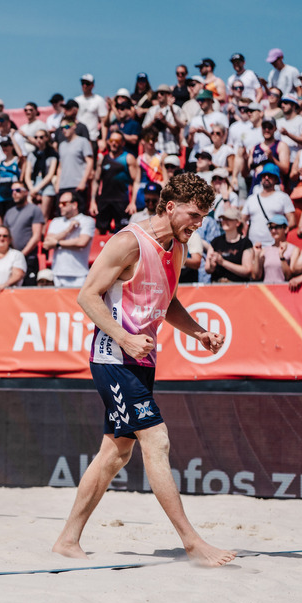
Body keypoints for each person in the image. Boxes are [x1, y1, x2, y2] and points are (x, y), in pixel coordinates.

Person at [52, 173, 235, 567]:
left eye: (203, 217)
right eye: (193, 214)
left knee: (115, 454)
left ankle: (67, 540)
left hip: (141, 360)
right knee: (157, 440)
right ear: (170, 207)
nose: (198, 223)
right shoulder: (128, 242)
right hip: (113, 357)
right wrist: (124, 337)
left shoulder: (177, 247)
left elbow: (167, 304)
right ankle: (192, 542)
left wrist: (199, 332)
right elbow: (87, 295)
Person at [44, 191, 96, 288]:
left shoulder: (87, 220)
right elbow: (46, 244)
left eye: (64, 203)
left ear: (74, 204)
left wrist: (57, 243)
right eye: (59, 203)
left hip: (79, 274)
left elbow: (82, 242)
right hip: (57, 274)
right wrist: (68, 230)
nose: (60, 206)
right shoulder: (56, 221)